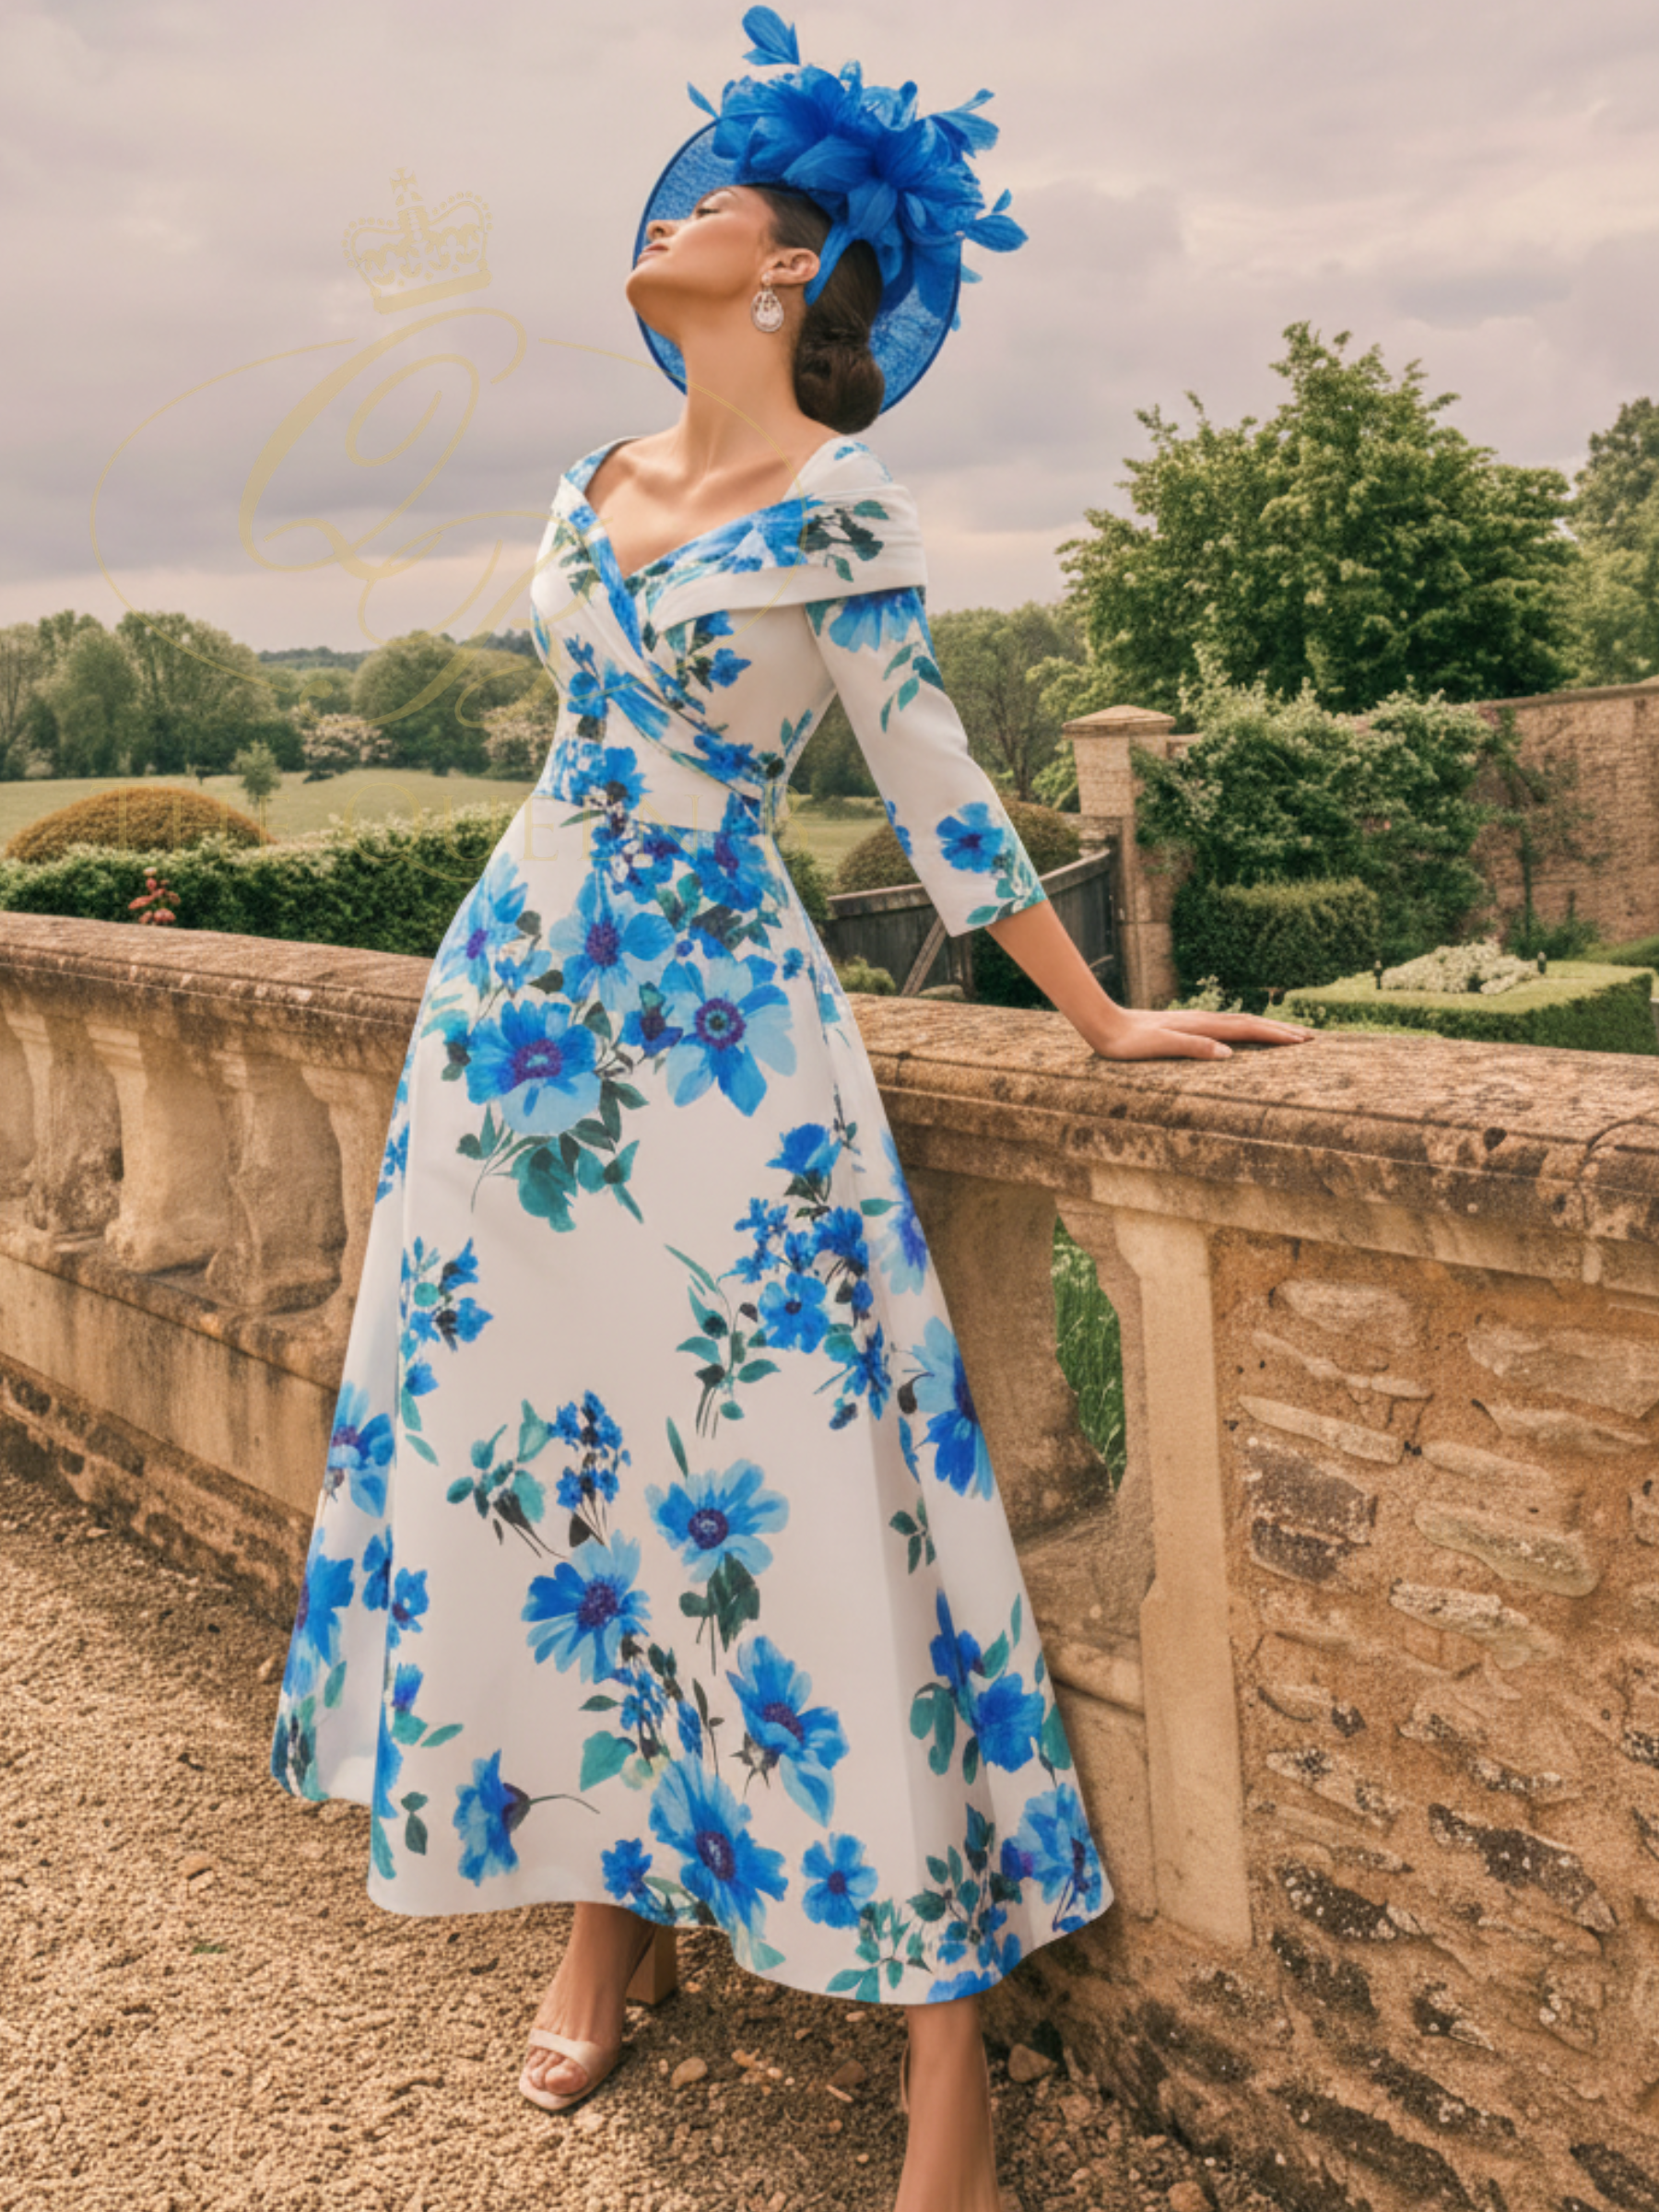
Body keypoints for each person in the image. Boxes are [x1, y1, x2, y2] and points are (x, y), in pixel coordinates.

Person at [269, 15, 1312, 2209]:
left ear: (787, 271)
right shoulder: (586, 487)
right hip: (515, 1029)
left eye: (711, 201)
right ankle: (602, 1915)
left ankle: (949, 2055)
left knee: (802, 1479)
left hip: (726, 1052)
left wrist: (1106, 1020)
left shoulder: (844, 511)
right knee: (562, 1482)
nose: (661, 214)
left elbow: (939, 799)